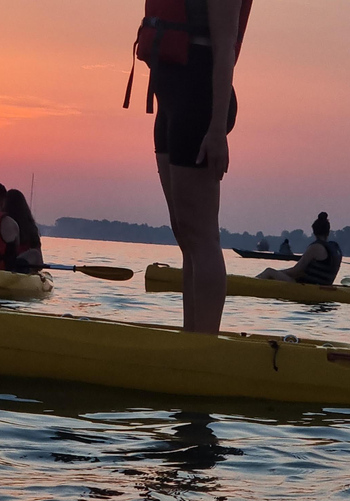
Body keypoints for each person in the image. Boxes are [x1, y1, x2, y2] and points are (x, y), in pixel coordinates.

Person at [125, 0, 253, 334]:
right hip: (171, 97)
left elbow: (224, 50)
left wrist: (215, 131)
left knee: (202, 235)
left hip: (199, 98)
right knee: (184, 232)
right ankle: (190, 334)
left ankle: (205, 341)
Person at [257, 212, 343, 285]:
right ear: (328, 231)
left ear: (314, 232)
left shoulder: (315, 247)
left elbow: (296, 271)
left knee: (269, 271)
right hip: (324, 285)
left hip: (308, 287)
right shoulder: (335, 248)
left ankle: (251, 283)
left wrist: (278, 273)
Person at [4, 189, 44, 272]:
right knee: (35, 254)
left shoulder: (1, 224)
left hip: (6, 268)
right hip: (15, 270)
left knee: (34, 254)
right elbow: (40, 264)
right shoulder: (31, 229)